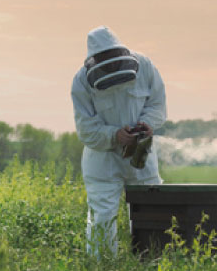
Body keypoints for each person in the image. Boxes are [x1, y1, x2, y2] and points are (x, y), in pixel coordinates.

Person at [70, 26, 167, 258]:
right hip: (102, 159)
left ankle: (150, 261)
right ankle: (102, 269)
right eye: (104, 61)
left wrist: (146, 124)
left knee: (151, 210)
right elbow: (85, 130)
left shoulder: (145, 66)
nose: (111, 65)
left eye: (113, 59)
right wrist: (115, 135)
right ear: (94, 60)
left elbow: (157, 105)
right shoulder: (81, 82)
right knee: (102, 216)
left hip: (141, 154)